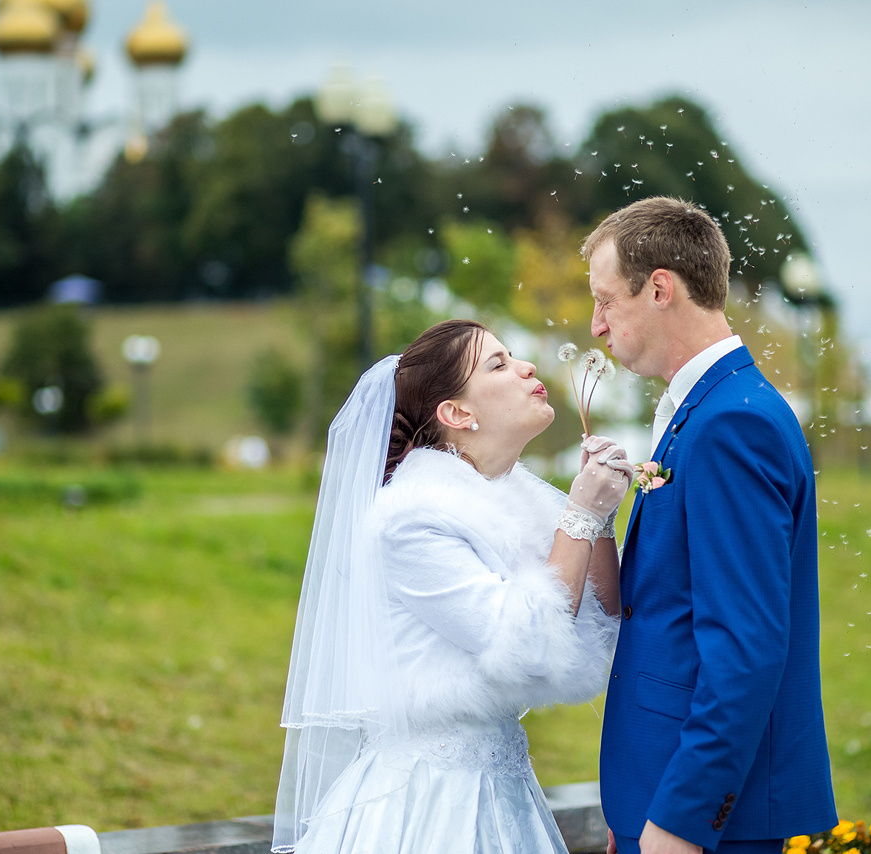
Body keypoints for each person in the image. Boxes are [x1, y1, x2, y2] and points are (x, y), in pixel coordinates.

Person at [273, 319, 633, 854]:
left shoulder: (511, 498)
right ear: (457, 414)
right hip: (430, 797)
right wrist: (579, 513)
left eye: (514, 356)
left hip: (502, 780)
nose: (527, 367)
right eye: (499, 365)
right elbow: (531, 644)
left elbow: (600, 620)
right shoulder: (414, 516)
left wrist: (596, 516)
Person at [585, 197, 837, 854]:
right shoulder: (710, 407)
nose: (596, 326)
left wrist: (680, 821)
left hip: (709, 821)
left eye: (607, 301)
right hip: (659, 790)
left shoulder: (731, 425)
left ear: (660, 288)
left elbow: (746, 651)